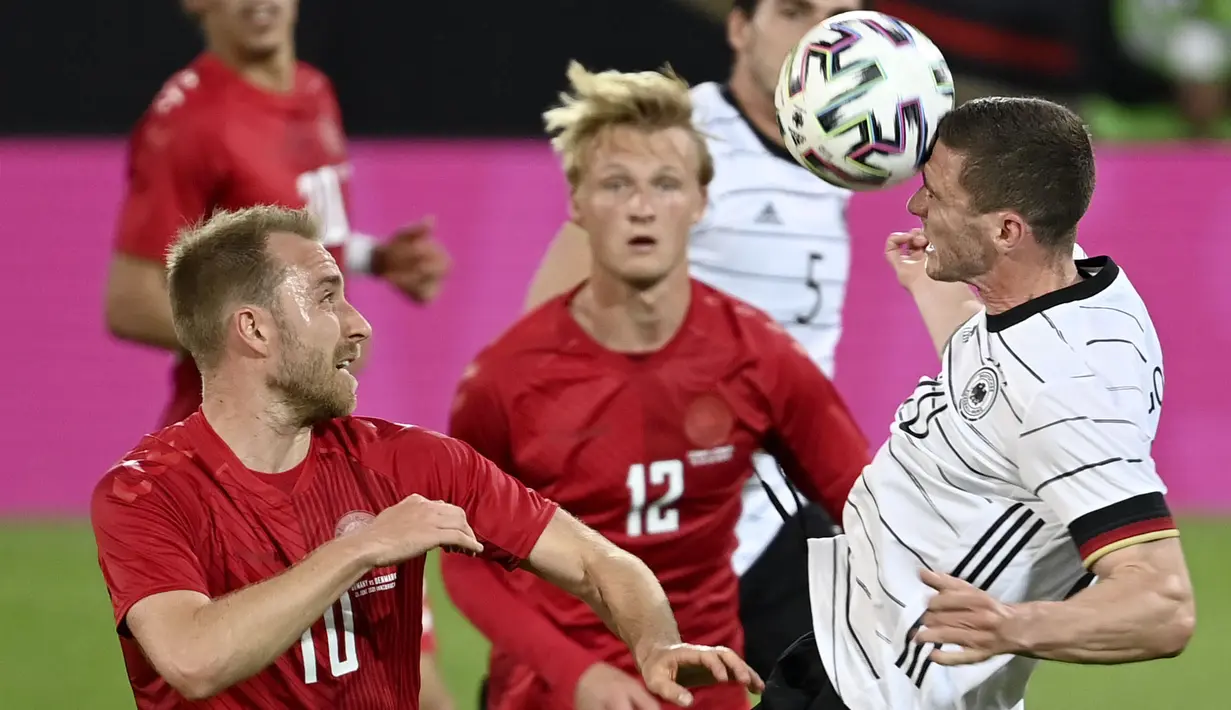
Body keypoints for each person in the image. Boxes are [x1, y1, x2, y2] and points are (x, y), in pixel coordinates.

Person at [90, 205, 763, 710]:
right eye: (326, 296)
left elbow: (599, 563)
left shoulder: (407, 463)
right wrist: (363, 547)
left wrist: (653, 642)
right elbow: (193, 657)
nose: (360, 324)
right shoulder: (147, 495)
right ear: (254, 329)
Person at [440, 62, 870, 710]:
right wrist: (577, 674)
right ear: (577, 203)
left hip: (700, 694)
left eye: (665, 183)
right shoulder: (504, 381)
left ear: (700, 202)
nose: (641, 207)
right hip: (553, 695)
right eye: (615, 184)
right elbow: (465, 559)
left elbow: (866, 508)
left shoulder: (759, 357)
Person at [755, 97, 1196, 710]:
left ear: (1007, 230)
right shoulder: (1071, 294)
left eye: (934, 194)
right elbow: (995, 394)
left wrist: (1013, 626)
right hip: (851, 653)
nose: (914, 206)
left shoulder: (1064, 388)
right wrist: (928, 287)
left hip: (888, 693)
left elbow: (1162, 601)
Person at [100, 2, 451, 701]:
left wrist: (376, 258)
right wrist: (288, 339)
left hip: (319, 435)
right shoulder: (187, 125)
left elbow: (286, 256)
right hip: (240, 460)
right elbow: (131, 299)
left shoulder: (313, 90)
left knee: (407, 668)